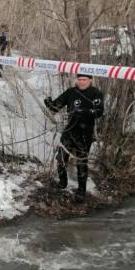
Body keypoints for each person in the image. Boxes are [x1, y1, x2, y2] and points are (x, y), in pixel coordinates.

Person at [44, 73, 104, 202]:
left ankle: (81, 190)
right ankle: (63, 182)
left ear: (90, 80)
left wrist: (84, 112)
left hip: (85, 133)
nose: (82, 82)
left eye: (85, 79)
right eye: (80, 79)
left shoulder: (96, 93)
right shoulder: (71, 92)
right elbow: (56, 107)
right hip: (69, 131)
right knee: (61, 158)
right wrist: (49, 104)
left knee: (81, 162)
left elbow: (99, 112)